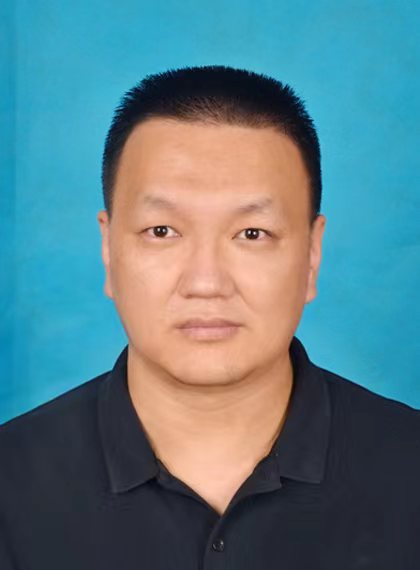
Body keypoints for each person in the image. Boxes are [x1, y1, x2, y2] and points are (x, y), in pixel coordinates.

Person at [0, 65, 419, 569]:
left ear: (312, 255)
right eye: (162, 231)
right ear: (108, 249)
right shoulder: (12, 484)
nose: (206, 282)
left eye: (252, 234)